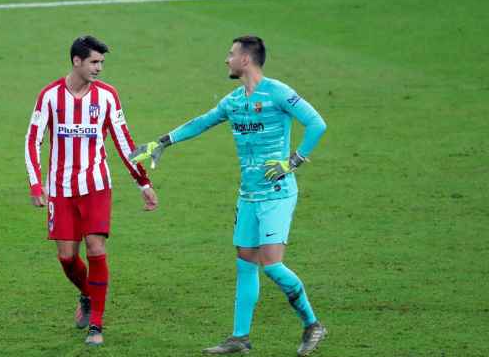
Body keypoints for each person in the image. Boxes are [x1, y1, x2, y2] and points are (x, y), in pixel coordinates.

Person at [129, 36, 327, 356]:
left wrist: (294, 160)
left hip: (276, 193)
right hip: (248, 195)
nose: (227, 60)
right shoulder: (234, 101)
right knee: (245, 263)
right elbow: (202, 122)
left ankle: (312, 324)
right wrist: (162, 142)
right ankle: (239, 338)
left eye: (231, 54)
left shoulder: (277, 92)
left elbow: (317, 123)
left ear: (246, 60)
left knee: (273, 266)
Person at [25, 35, 158, 346]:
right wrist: (35, 183)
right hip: (60, 189)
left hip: (96, 186)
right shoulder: (49, 96)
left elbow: (123, 141)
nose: (99, 68)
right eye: (94, 62)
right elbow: (33, 140)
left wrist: (144, 183)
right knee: (67, 257)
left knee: (96, 249)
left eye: (101, 62)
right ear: (77, 61)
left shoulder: (108, 96)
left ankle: (96, 325)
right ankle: (87, 294)